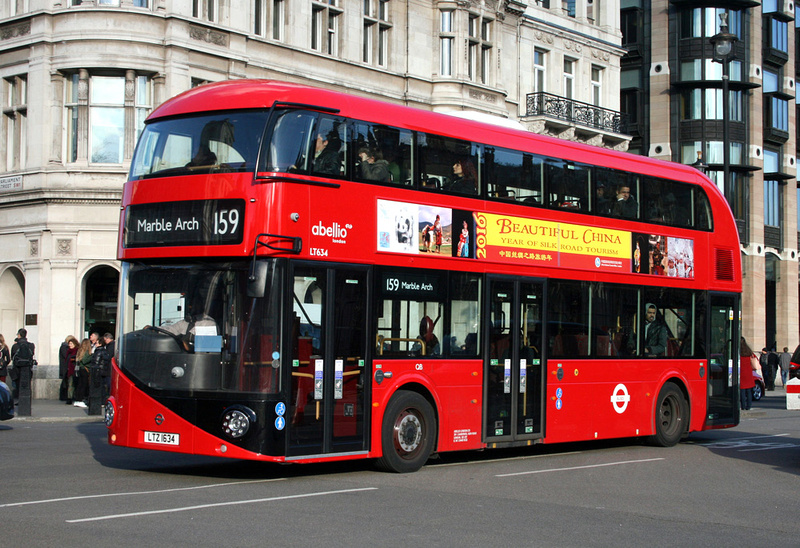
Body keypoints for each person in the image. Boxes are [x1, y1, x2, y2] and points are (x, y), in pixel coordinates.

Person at [10, 328, 35, 401]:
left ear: (19, 335)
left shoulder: (15, 346)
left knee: (18, 386)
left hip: (17, 369)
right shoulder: (31, 345)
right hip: (27, 369)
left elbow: (12, 357)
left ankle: (18, 400)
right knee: (27, 386)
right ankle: (27, 400)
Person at [73, 338, 92, 408]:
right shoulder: (86, 352)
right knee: (83, 385)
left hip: (81, 369)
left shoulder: (80, 351)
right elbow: (84, 361)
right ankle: (80, 400)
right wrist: (92, 356)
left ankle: (78, 399)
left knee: (80, 385)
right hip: (84, 369)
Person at [91, 338, 111, 402]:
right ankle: (103, 400)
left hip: (98, 371)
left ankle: (100, 400)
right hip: (104, 371)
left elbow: (96, 362)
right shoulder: (105, 351)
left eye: (96, 343)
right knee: (103, 387)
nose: (95, 344)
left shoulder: (98, 352)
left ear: (100, 344)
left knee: (99, 387)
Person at [740, 337, 757, 411]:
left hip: (741, 372)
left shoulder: (738, 351)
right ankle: (748, 406)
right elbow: (755, 358)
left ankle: (743, 406)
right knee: (749, 390)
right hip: (749, 372)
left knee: (742, 391)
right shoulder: (749, 351)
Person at [63, 336, 78, 405]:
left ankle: (70, 398)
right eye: (69, 344)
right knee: (69, 384)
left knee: (71, 384)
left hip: (74, 370)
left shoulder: (76, 351)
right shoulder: (68, 351)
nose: (70, 345)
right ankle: (70, 397)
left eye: (71, 343)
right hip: (68, 370)